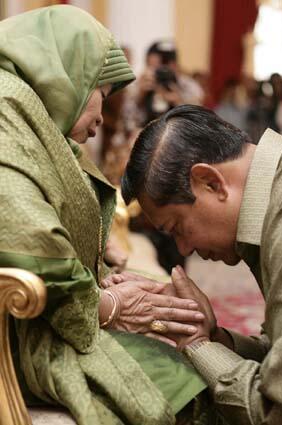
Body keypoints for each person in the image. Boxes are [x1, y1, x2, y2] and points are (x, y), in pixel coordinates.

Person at [0, 7, 212, 424]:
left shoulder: (22, 111)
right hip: (16, 333)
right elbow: (27, 241)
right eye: (101, 91)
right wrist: (109, 305)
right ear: (62, 74)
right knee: (182, 380)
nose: (100, 116)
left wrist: (99, 268)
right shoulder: (6, 113)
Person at [120, 103, 282, 424]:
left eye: (177, 228)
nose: (184, 247)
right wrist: (214, 337)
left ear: (210, 182)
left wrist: (197, 346)